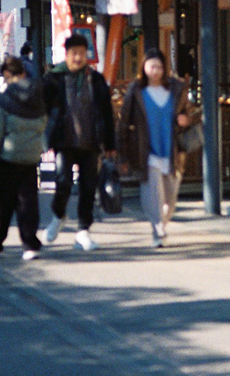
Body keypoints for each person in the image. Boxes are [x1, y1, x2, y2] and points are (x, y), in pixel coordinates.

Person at [42, 33, 115, 251]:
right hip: (64, 141)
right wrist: (43, 140)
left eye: (82, 53)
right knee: (63, 182)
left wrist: (110, 144)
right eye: (74, 53)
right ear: (66, 54)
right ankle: (58, 215)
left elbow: (107, 113)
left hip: (91, 142)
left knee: (88, 187)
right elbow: (42, 111)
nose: (78, 57)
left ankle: (83, 231)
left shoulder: (96, 79)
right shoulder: (54, 79)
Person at [117, 49, 194, 247]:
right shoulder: (136, 91)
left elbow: (192, 111)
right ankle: (157, 228)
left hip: (172, 151)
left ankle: (161, 225)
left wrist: (186, 119)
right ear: (144, 67)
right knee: (152, 194)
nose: (155, 70)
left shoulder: (176, 89)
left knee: (170, 197)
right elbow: (124, 122)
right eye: (152, 66)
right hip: (145, 150)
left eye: (159, 66)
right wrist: (122, 155)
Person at [0, 56, 48, 260]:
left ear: (6, 75)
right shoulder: (37, 97)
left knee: (2, 202)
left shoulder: (3, 100)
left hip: (8, 158)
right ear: (23, 73)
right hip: (31, 157)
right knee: (28, 202)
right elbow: (43, 125)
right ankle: (30, 244)